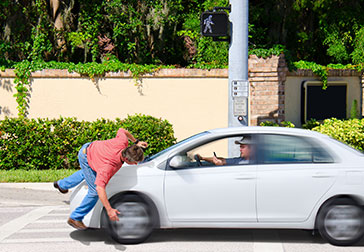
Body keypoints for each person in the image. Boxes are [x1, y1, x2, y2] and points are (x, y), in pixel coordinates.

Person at [53, 128, 148, 230]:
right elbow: (100, 188)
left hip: (92, 149)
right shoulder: (108, 167)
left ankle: (61, 184)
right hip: (86, 156)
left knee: (86, 173)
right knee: (93, 191)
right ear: (126, 159)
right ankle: (75, 217)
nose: (136, 164)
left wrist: (136, 142)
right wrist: (109, 210)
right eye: (134, 162)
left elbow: (122, 130)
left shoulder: (123, 142)